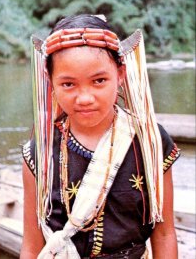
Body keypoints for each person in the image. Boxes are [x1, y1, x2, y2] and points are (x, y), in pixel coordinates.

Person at [21, 14, 180, 259]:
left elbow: (165, 234)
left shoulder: (150, 141)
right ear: (50, 81)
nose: (85, 97)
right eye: (68, 84)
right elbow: (32, 246)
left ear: (120, 75)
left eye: (99, 80)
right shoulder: (39, 152)